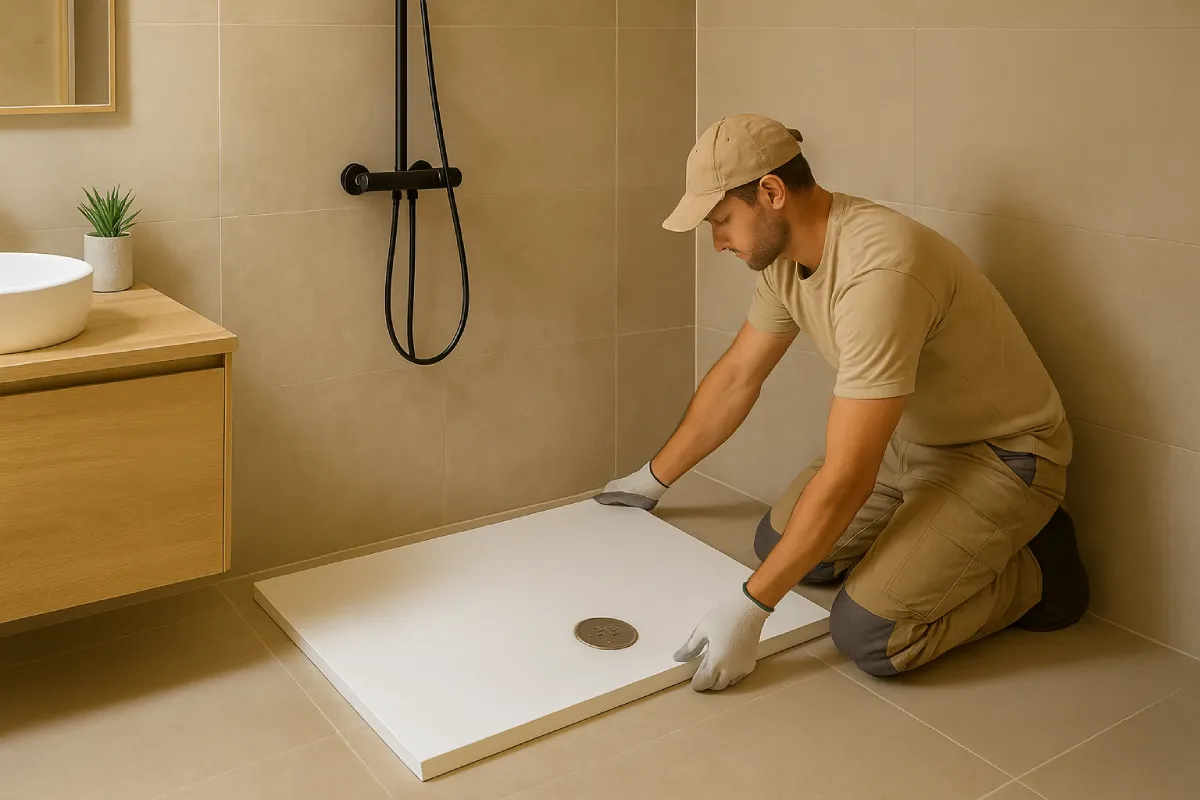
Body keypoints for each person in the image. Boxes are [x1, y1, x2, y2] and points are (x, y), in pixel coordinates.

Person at [597, 113, 1089, 692]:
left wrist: (751, 606)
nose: (718, 241)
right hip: (909, 442)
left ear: (771, 193)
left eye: (723, 220)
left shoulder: (881, 271)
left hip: (1000, 456)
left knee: (868, 634)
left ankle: (1039, 572)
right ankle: (935, 540)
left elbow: (851, 472)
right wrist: (653, 480)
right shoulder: (784, 259)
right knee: (779, 544)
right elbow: (737, 377)